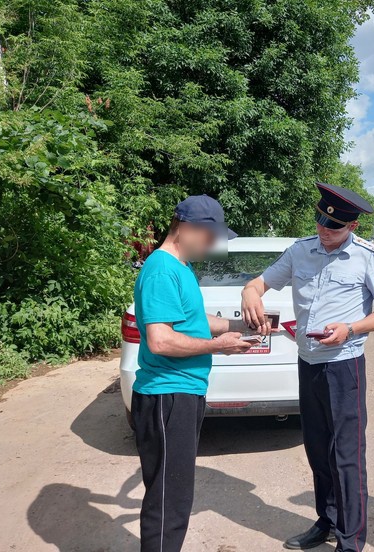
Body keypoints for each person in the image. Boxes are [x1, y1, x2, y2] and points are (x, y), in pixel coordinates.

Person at [241, 183, 374, 552]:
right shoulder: (300, 251)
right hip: (308, 363)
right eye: (320, 220)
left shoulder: (368, 257)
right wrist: (251, 292)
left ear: (353, 226)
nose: (324, 230)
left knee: (347, 456)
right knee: (316, 449)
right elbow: (261, 282)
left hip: (344, 368)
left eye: (334, 226)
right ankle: (326, 521)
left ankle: (350, 541)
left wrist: (351, 329)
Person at [131, 195, 267, 552]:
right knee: (168, 501)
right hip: (166, 395)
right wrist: (218, 347)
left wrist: (237, 326)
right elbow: (160, 340)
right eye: (209, 237)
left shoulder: (179, 269)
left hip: (181, 393)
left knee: (174, 494)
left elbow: (192, 322)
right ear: (187, 228)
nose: (212, 246)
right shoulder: (161, 270)